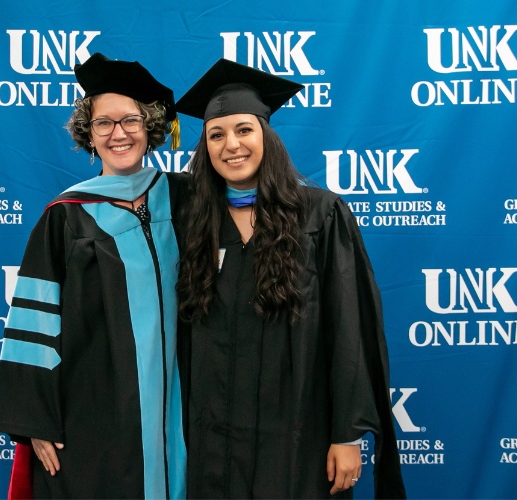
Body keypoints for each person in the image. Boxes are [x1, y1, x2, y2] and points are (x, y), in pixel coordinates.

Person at [174, 59, 406, 499]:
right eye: (216, 135)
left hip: (300, 434)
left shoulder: (320, 214)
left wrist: (347, 435)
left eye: (244, 129)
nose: (231, 145)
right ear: (204, 148)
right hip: (212, 440)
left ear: (266, 135)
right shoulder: (192, 223)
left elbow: (348, 329)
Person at [0, 53, 188, 499]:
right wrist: (34, 420)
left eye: (131, 121)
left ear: (152, 128)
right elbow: (34, 326)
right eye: (104, 124)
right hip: (97, 408)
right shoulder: (66, 219)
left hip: (185, 404)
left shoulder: (186, 202)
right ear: (89, 135)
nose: (119, 134)